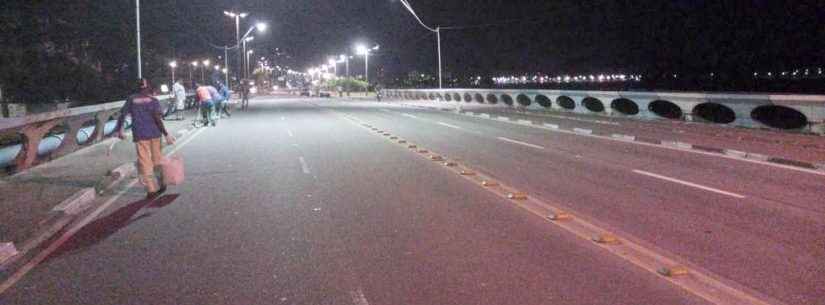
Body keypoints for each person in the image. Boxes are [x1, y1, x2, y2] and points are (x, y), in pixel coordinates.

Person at [114, 79, 176, 199]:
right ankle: (162, 182)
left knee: (145, 163)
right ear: (149, 88)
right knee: (157, 160)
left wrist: (119, 130)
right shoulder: (153, 100)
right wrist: (166, 134)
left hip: (140, 135)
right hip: (155, 134)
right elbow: (158, 119)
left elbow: (122, 115)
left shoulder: (131, 99)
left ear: (137, 88)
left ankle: (151, 190)